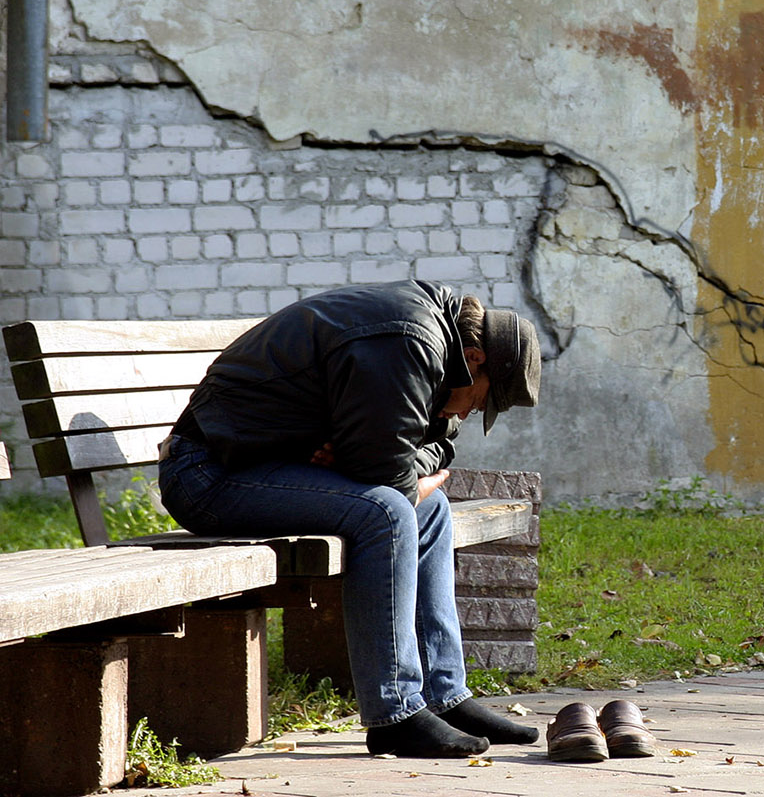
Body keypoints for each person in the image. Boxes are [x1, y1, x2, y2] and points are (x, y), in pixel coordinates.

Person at [157, 280, 541, 757]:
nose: (479, 406)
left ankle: (443, 696)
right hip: (209, 474)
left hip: (267, 467)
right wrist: (394, 470)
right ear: (477, 358)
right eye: (487, 398)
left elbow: (438, 445)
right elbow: (383, 470)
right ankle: (394, 712)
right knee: (388, 511)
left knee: (431, 510)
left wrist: (388, 467)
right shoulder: (409, 339)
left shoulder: (442, 349)